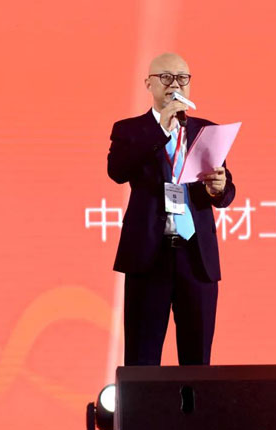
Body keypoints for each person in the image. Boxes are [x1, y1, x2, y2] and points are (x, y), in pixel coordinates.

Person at [107, 52, 236, 366]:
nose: (174, 85)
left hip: (197, 258)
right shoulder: (129, 130)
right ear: (148, 83)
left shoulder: (206, 131)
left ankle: (194, 402)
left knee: (198, 362)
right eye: (165, 77)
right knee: (142, 361)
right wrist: (161, 131)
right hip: (149, 257)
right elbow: (117, 171)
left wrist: (219, 188)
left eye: (182, 78)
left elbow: (226, 192)